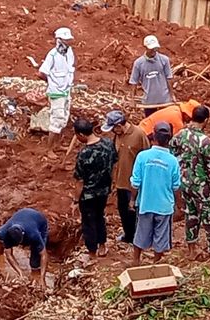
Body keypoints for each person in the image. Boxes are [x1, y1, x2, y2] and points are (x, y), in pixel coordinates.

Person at [168, 105, 210, 259]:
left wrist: (181, 167)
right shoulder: (205, 141)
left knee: (191, 214)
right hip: (202, 186)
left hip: (185, 182)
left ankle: (192, 249)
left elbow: (172, 151)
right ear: (205, 120)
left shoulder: (181, 134)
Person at [130, 122, 181, 264]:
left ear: (154, 137)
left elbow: (135, 182)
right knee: (161, 237)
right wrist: (177, 205)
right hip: (164, 206)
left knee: (141, 233)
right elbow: (176, 186)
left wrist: (132, 200)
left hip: (145, 203)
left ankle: (136, 261)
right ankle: (156, 264)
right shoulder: (173, 161)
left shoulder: (142, 157)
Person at [72, 117, 117, 260]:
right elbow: (115, 163)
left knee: (88, 222)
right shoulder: (108, 144)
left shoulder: (84, 154)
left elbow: (79, 180)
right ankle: (102, 245)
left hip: (88, 195)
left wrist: (75, 199)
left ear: (81, 135)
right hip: (104, 191)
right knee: (100, 217)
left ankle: (92, 252)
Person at [102, 109, 149, 246]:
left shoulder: (139, 134)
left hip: (134, 181)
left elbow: (146, 157)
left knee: (134, 211)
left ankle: (139, 238)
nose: (113, 132)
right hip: (121, 181)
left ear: (120, 125)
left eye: (114, 128)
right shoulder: (118, 136)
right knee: (123, 210)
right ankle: (128, 235)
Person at [38, 27, 76, 147]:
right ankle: (49, 149)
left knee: (64, 118)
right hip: (56, 92)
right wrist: (52, 83)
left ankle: (57, 145)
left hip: (66, 91)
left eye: (68, 40)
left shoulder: (69, 53)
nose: (67, 43)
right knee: (56, 120)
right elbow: (41, 72)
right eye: (65, 40)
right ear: (58, 40)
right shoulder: (52, 55)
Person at [0, 208, 49, 288]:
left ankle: (36, 276)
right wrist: (21, 273)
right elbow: (9, 254)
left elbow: (44, 255)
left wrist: (42, 278)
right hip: (21, 216)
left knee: (35, 263)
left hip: (39, 221)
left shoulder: (33, 234)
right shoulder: (5, 232)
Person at [130, 35, 174, 116]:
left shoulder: (164, 60)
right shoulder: (138, 63)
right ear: (145, 47)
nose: (154, 50)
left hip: (164, 100)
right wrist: (132, 99)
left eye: (155, 48)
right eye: (151, 48)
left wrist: (172, 95)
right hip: (149, 101)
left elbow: (169, 78)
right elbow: (134, 82)